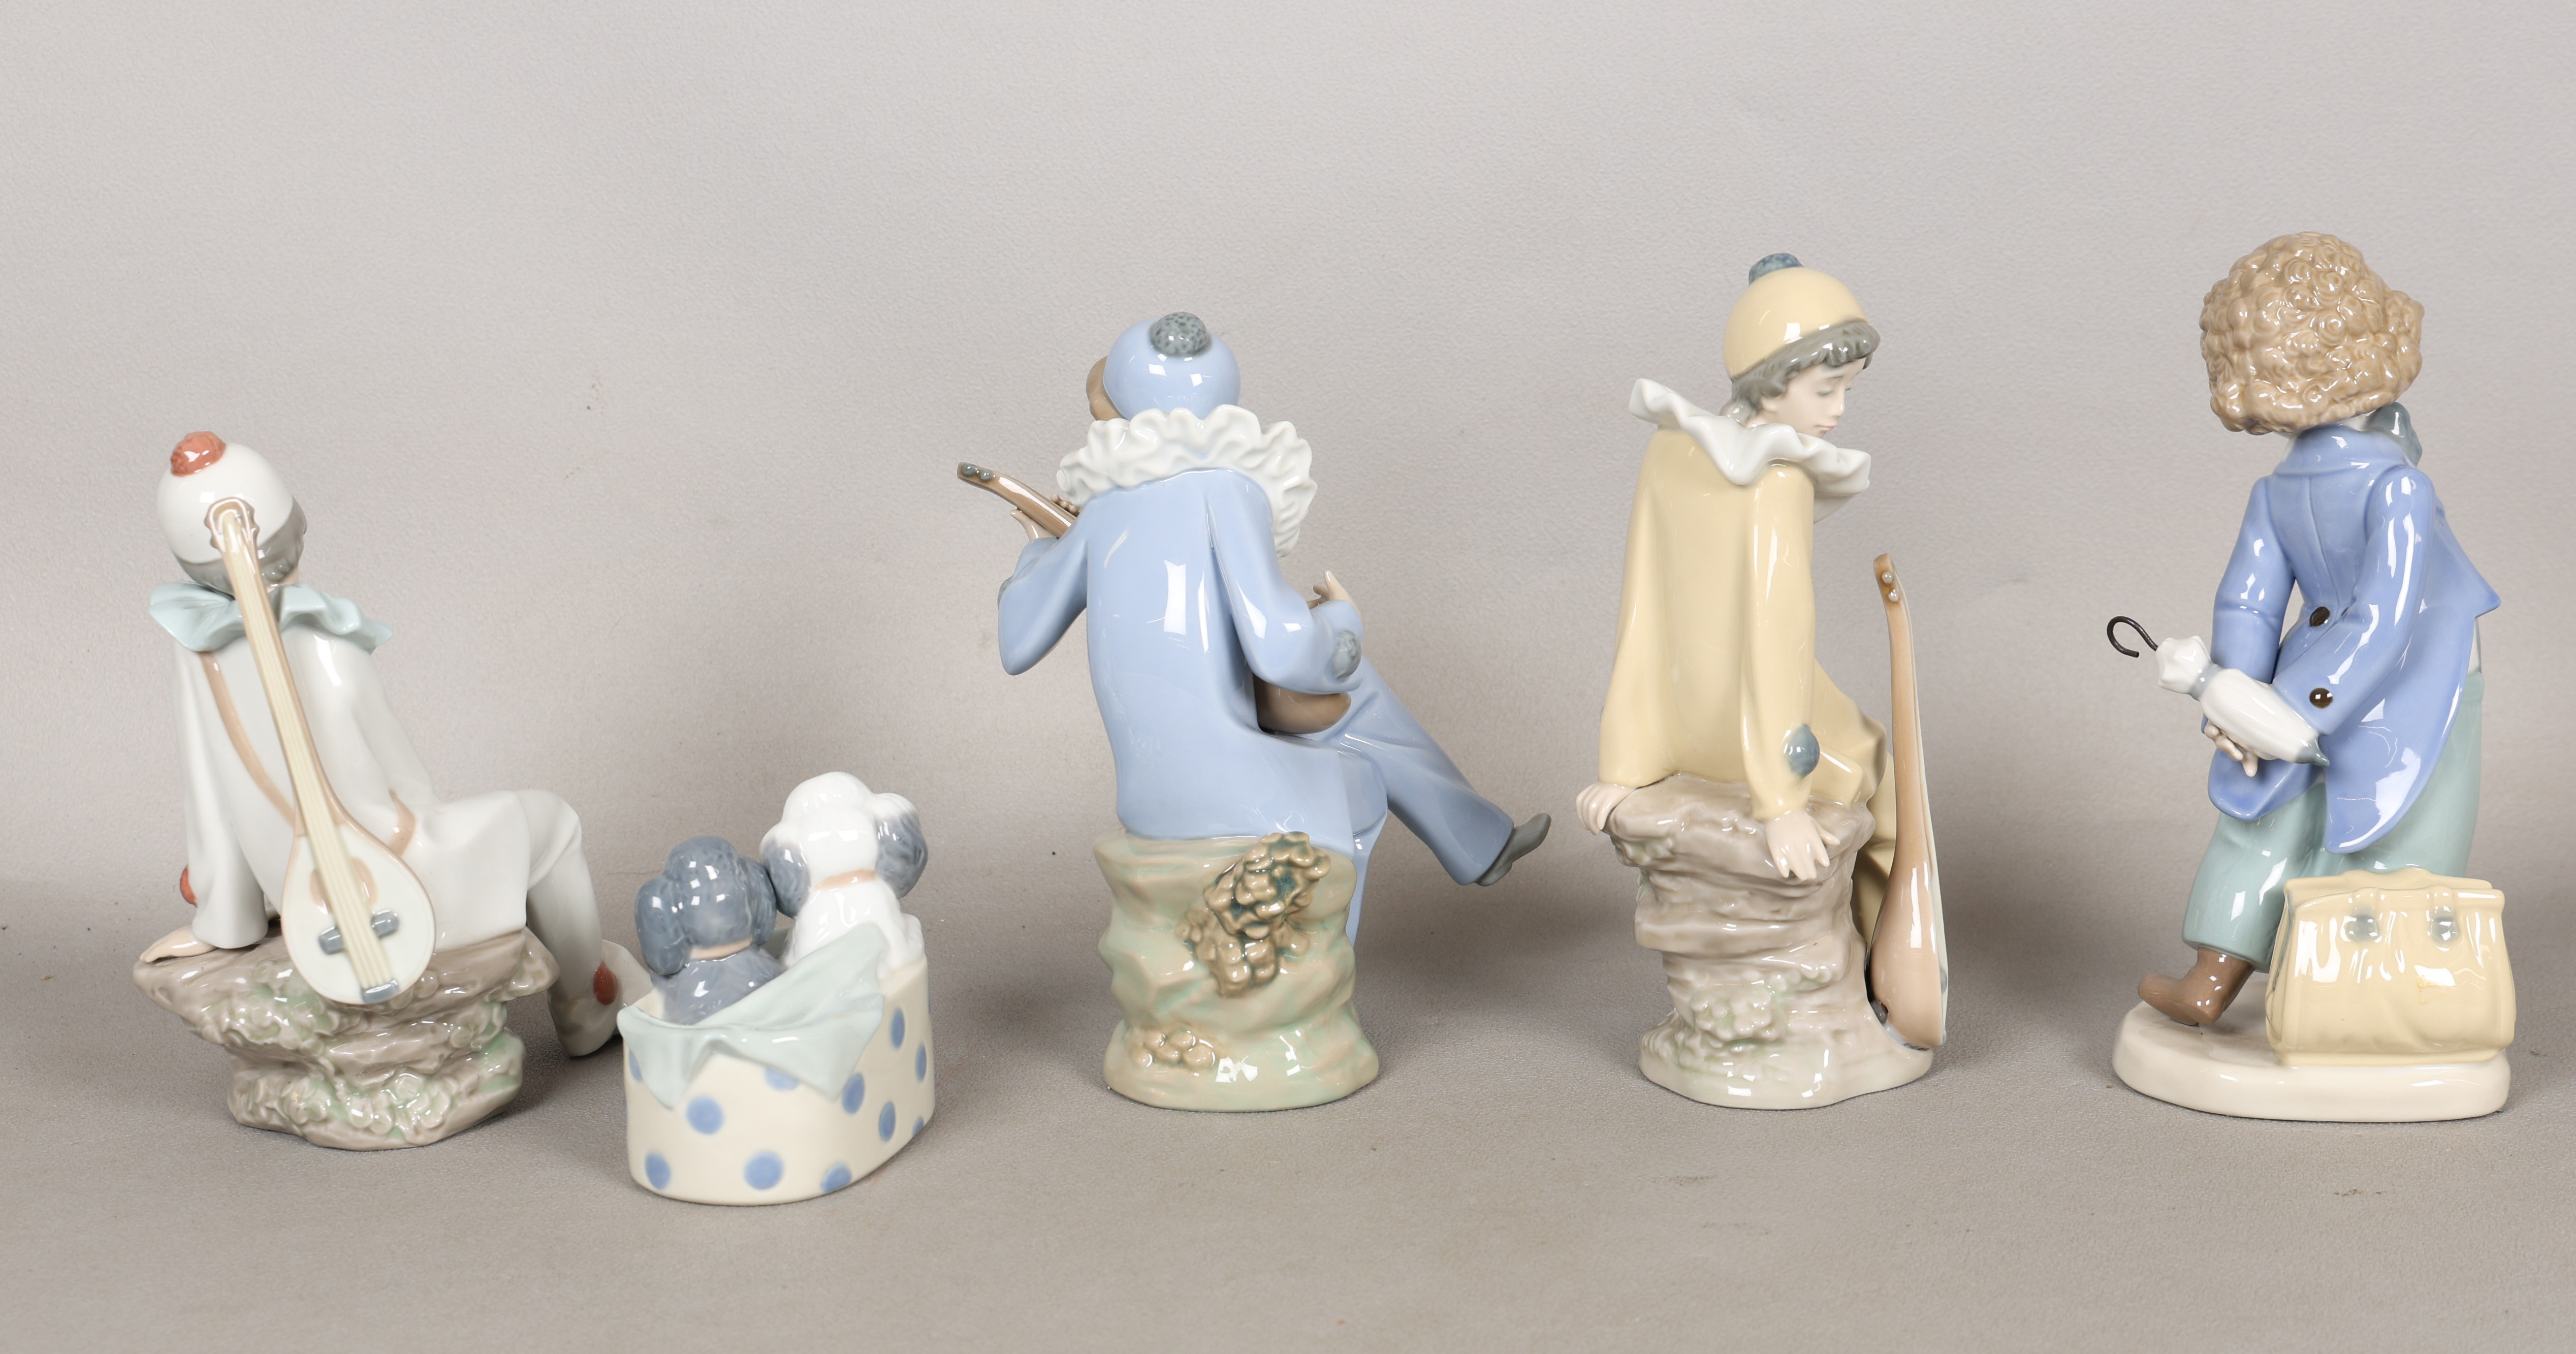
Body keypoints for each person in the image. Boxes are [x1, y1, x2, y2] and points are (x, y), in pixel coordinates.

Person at [996, 313, 1544, 934]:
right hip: (1228, 784)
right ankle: (1322, 971)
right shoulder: (1231, 489)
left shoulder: (1100, 513)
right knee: (1358, 774)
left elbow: (1017, 642)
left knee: (1359, 688)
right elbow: (1281, 650)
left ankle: (1479, 840)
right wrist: (1342, 619)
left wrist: (1037, 552)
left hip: (1147, 791)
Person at [147, 433, 634, 1053]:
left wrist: (229, 915)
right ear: (294, 531)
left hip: (303, 888)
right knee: (554, 822)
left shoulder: (198, 653)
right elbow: (405, 783)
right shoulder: (325, 641)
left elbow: (210, 800)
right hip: (394, 875)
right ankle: (589, 1008)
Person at [2138, 234, 2497, 1025]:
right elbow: (2386, 615)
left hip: (2302, 664)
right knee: (2389, 827)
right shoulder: (2396, 485)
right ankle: (2337, 996)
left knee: (2265, 815)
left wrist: (2239, 693)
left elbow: (2246, 605)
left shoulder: (2274, 490)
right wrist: (2298, 708)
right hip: (2418, 673)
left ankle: (2211, 976)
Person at [1578, 257, 1896, 938]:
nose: (1839, 409)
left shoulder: (1669, 450)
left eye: (1847, 389)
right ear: (1772, 384)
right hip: (1763, 741)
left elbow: (1643, 609)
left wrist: (1623, 764)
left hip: (1684, 730)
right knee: (1876, 765)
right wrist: (1782, 800)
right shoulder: (1778, 480)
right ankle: (1888, 964)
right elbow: (1778, 637)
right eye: (1826, 389)